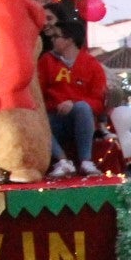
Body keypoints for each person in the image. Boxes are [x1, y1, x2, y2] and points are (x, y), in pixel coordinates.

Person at [37, 12, 107, 178]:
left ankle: (85, 161)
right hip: (53, 118)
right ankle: (62, 161)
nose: (52, 40)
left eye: (56, 37)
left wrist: (73, 103)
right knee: (37, 120)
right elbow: (38, 94)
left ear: (69, 40)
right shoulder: (46, 61)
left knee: (82, 107)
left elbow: (98, 102)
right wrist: (56, 106)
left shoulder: (92, 65)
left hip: (81, 119)